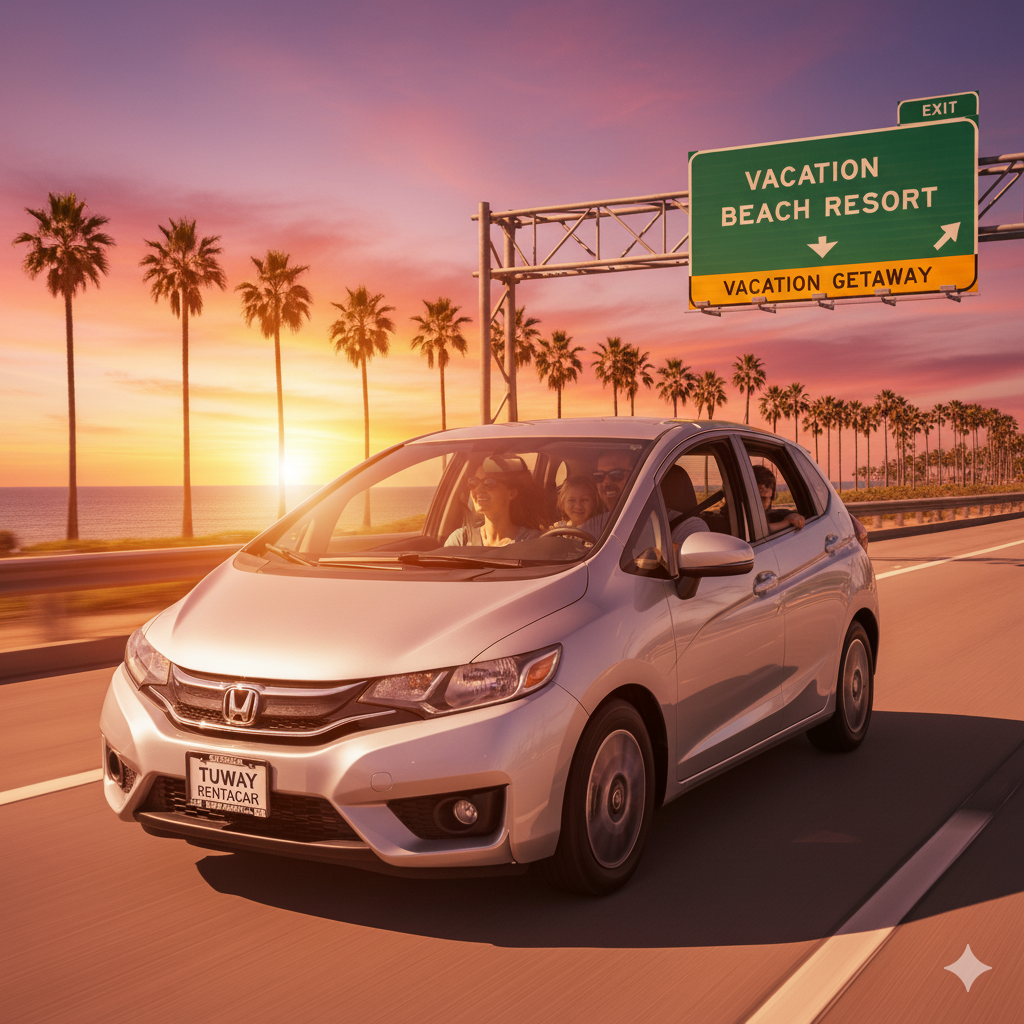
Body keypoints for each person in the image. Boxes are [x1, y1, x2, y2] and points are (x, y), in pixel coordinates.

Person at [445, 455, 547, 547]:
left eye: (489, 483)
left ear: (511, 494)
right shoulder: (460, 540)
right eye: (474, 482)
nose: (478, 490)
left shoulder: (532, 542)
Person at [753, 464, 805, 532]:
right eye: (754, 496)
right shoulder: (741, 513)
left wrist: (794, 518)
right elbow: (759, 530)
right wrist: (786, 522)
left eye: (763, 498)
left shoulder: (760, 514)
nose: (758, 502)